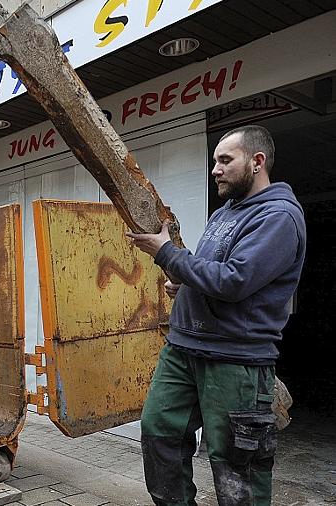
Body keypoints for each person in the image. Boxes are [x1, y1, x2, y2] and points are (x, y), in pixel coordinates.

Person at [126, 125, 306, 506]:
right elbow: (212, 273)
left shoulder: (279, 217)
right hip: (183, 349)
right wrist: (186, 287)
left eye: (226, 160)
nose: (215, 170)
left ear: (257, 162)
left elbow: (234, 280)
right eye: (214, 162)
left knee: (236, 466)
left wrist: (166, 253)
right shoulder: (226, 212)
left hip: (235, 359)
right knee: (159, 432)